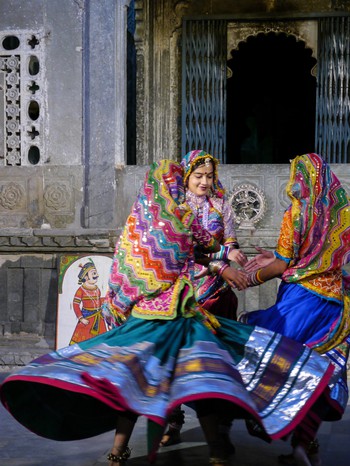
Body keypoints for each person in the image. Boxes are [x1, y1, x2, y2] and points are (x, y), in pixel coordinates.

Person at [0, 160, 336, 466]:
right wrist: (227, 265)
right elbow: (201, 247)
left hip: (147, 315)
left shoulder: (139, 224)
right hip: (181, 312)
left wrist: (122, 305)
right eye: (186, 180)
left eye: (206, 177)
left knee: (133, 377)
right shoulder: (178, 220)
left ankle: (120, 450)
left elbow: (136, 269)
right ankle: (217, 448)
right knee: (200, 373)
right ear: (175, 185)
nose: (194, 185)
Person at [240, 153, 350, 466]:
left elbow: (284, 264)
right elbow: (317, 259)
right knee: (318, 374)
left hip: (300, 304)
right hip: (335, 309)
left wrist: (252, 277)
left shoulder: (297, 213)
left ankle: (272, 424)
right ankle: (304, 445)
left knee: (278, 364)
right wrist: (272, 259)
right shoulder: (343, 213)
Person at [160, 149, 248, 448]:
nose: (205, 182)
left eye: (210, 176)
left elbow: (229, 239)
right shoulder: (177, 206)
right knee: (177, 360)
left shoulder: (220, 204)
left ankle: (221, 425)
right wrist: (223, 260)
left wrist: (234, 252)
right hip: (184, 294)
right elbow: (183, 251)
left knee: (219, 363)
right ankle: (173, 419)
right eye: (198, 176)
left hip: (217, 295)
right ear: (186, 176)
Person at [69, 258, 107, 345]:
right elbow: (75, 305)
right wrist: (81, 318)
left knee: (100, 342)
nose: (96, 275)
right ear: (86, 277)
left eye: (96, 273)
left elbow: (97, 301)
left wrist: (107, 299)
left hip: (98, 318)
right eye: (93, 273)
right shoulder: (81, 290)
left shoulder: (97, 289)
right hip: (87, 318)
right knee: (83, 340)